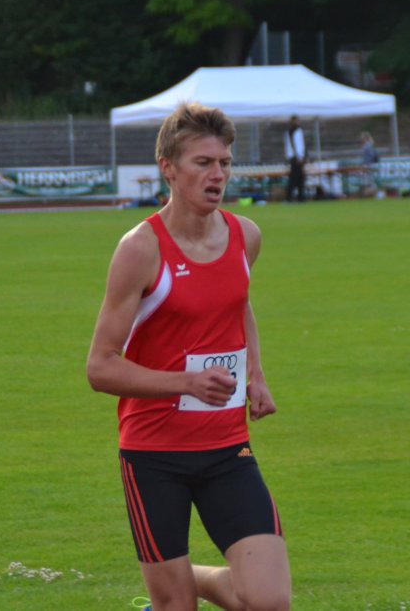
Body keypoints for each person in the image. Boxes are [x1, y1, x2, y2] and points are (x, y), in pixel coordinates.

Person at [86, 101, 290, 611]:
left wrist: (257, 375)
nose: (218, 174)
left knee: (268, 602)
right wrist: (186, 382)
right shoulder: (140, 249)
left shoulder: (246, 237)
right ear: (169, 168)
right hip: (153, 453)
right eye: (203, 163)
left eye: (224, 162)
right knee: (176, 607)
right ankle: (172, 586)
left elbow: (238, 303)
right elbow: (100, 366)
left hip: (227, 447)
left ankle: (183, 578)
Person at [283, 115, 306, 202]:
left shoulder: (295, 131)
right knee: (294, 178)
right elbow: (296, 145)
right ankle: (290, 197)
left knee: (300, 178)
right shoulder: (293, 132)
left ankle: (300, 196)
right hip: (295, 157)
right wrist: (299, 157)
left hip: (297, 157)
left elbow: (300, 145)